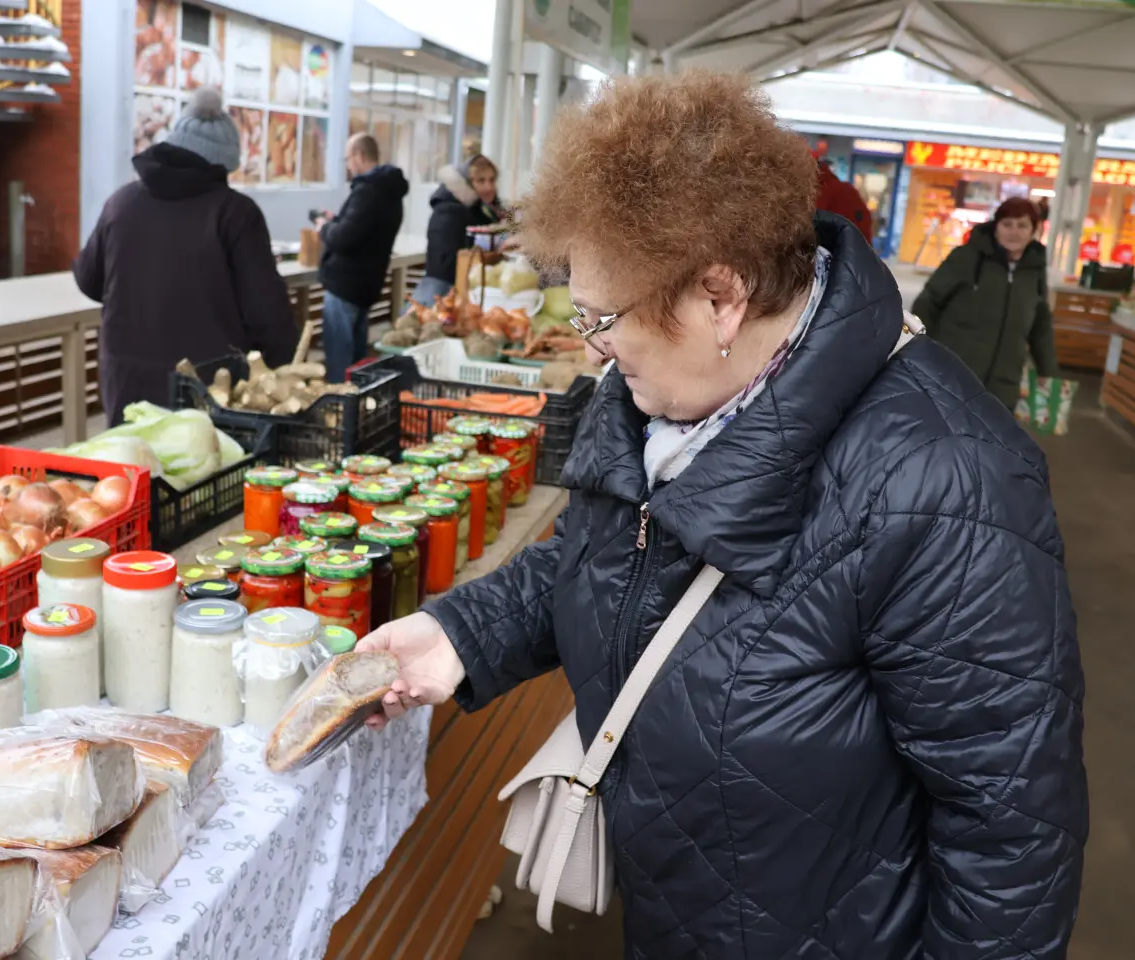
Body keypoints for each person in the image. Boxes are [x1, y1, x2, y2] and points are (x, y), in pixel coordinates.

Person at [360, 72, 1086, 958]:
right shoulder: (654, 400)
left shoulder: (952, 487)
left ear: (719, 297)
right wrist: (461, 635)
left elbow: (1011, 837)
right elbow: (600, 554)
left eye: (604, 318)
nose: (594, 346)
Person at [73, 86, 295, 426]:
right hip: (208, 389)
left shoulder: (121, 204)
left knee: (135, 472)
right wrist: (282, 368)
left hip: (128, 382)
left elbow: (89, 280)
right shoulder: (235, 213)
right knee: (202, 474)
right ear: (222, 163)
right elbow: (266, 311)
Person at [911, 197, 1058, 410]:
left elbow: (1041, 327)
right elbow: (928, 303)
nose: (1014, 232)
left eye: (1022, 225)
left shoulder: (1034, 271)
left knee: (988, 442)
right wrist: (920, 352)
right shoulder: (966, 258)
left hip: (1002, 388)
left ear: (1034, 230)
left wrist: (1049, 373)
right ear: (995, 226)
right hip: (952, 378)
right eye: (1007, 224)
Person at [314, 134, 408, 381]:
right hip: (366, 285)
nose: (347, 165)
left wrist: (324, 227)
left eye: (348, 158)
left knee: (340, 361)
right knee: (357, 363)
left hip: (345, 286)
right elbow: (362, 231)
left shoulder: (368, 192)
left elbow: (344, 238)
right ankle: (359, 412)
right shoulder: (390, 192)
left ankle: (339, 410)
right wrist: (338, 221)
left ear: (359, 156)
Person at [416, 156, 504, 305]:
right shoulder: (448, 211)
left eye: (492, 180)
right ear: (467, 183)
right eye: (480, 181)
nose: (489, 187)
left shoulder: (484, 210)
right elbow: (444, 263)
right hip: (443, 292)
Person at [814, 154, 873, 245]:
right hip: (856, 247)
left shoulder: (824, 189)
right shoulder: (838, 187)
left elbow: (811, 221)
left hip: (846, 247)